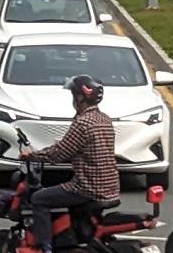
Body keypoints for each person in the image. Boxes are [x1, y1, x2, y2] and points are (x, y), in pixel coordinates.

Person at [21, 74, 120, 253]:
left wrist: (32, 156)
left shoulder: (82, 123)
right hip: (110, 186)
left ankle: (44, 247)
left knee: (39, 198)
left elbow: (59, 153)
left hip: (87, 188)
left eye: (74, 95)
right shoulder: (104, 119)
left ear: (80, 97)